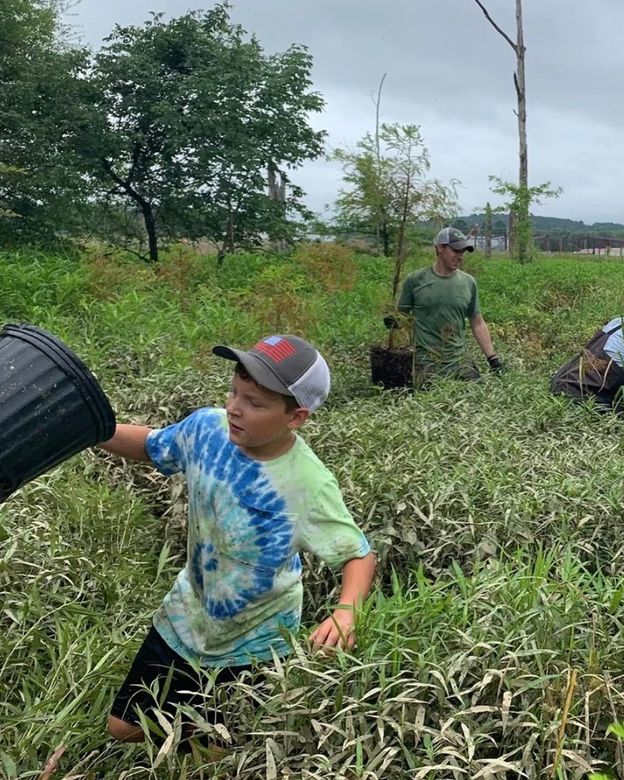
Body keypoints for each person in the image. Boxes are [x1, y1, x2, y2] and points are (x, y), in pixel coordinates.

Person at [99, 334, 375, 744]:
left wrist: (345, 611)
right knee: (124, 727)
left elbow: (358, 554)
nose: (234, 407)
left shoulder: (308, 484)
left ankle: (205, 737)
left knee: (215, 751)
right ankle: (191, 728)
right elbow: (151, 444)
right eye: (233, 391)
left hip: (256, 639)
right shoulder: (207, 429)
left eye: (255, 402)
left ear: (296, 417)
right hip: (186, 614)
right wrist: (91, 429)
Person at [390, 227, 503, 385]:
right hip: (426, 363)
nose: (460, 256)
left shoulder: (468, 282)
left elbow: (477, 322)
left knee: (479, 396)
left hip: (459, 361)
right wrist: (394, 322)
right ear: (440, 248)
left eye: (463, 252)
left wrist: (493, 358)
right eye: (455, 250)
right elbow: (401, 317)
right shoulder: (415, 280)